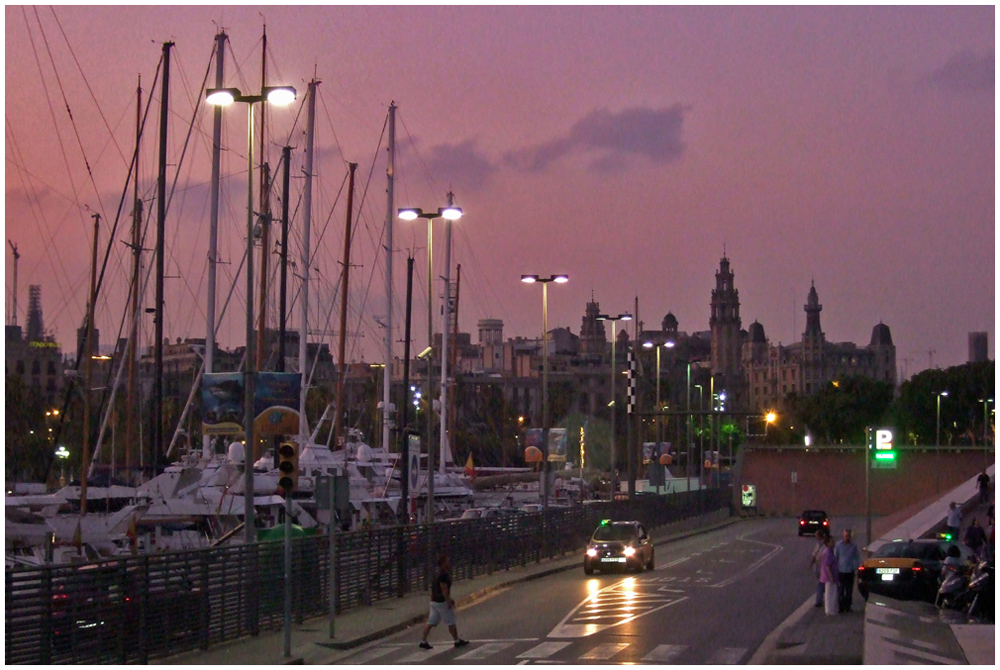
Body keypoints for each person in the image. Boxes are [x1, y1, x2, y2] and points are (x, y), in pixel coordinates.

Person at [419, 554, 469, 650]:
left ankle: (423, 641)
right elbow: (444, 590)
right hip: (441, 602)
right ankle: (457, 640)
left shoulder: (438, 573)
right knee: (451, 621)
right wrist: (448, 601)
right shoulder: (443, 575)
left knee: (430, 622)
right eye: (447, 561)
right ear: (443, 563)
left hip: (434, 601)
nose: (449, 563)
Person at [834, 529, 862, 613]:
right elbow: (836, 557)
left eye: (849, 536)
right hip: (841, 571)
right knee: (841, 590)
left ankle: (848, 606)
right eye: (846, 536)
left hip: (850, 571)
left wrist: (855, 567)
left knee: (849, 590)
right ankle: (841, 607)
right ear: (843, 536)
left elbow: (856, 557)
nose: (847, 538)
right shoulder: (838, 545)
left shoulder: (853, 545)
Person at [819, 533, 838, 616]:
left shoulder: (830, 551)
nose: (834, 543)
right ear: (828, 543)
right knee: (830, 593)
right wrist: (831, 576)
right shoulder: (828, 552)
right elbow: (828, 565)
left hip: (829, 576)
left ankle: (830, 609)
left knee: (830, 592)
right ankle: (829, 610)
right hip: (829, 577)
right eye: (832, 541)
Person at [808, 529, 827, 607]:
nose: (815, 537)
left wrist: (811, 564)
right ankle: (820, 599)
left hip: (822, 567)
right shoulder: (821, 544)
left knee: (822, 583)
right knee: (823, 583)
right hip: (821, 567)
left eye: (816, 535)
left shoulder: (822, 545)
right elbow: (814, 555)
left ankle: (819, 599)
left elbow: (814, 555)